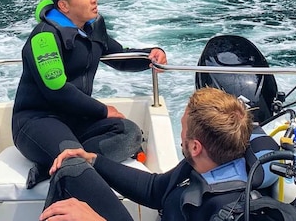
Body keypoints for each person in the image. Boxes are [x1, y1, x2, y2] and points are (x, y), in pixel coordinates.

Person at [12, 0, 168, 190]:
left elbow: (119, 55)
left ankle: (51, 165)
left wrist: (150, 56)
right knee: (73, 160)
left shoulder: (91, 29)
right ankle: (63, 165)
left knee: (129, 133)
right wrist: (103, 110)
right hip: (37, 121)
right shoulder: (44, 38)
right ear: (64, 6)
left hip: (76, 119)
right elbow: (57, 90)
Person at [40, 87, 280, 221]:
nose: (180, 131)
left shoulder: (223, 211)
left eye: (183, 127)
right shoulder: (206, 164)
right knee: (72, 168)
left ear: (196, 146)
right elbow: (155, 189)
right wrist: (93, 159)